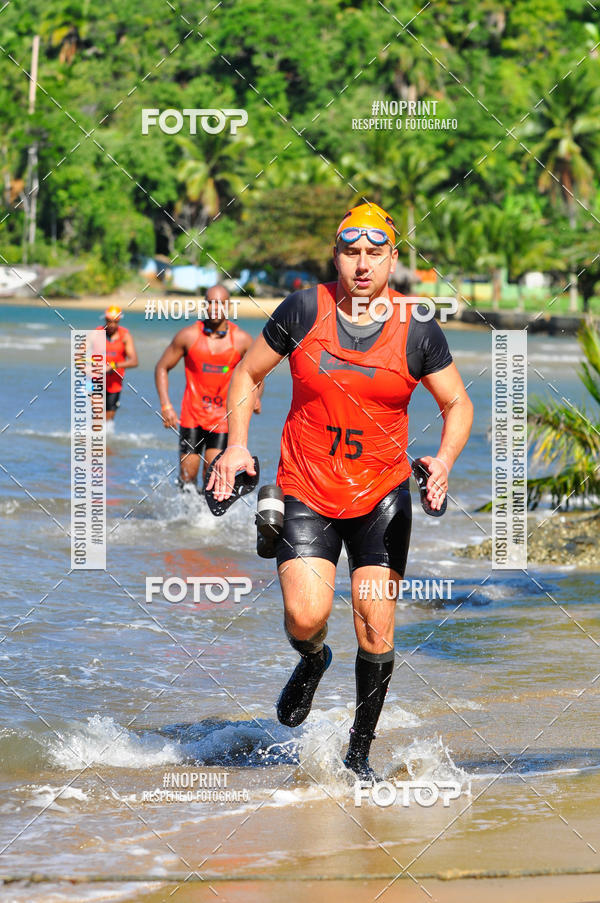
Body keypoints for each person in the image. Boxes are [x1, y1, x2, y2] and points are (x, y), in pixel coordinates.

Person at [207, 202, 474, 782]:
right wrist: (235, 445)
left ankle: (359, 752)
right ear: (336, 255)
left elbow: (456, 402)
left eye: (374, 253)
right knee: (306, 616)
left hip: (380, 498)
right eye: (350, 252)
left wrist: (445, 459)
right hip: (306, 488)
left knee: (376, 628)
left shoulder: (418, 328)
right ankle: (312, 658)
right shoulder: (304, 309)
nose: (361, 264)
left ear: (393, 260)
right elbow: (247, 374)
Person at [155, 284, 260, 488]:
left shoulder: (242, 340)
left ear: (228, 306)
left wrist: (256, 396)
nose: (214, 308)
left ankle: (208, 518)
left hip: (223, 417)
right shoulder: (188, 336)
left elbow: (257, 374)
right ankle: (184, 519)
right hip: (191, 415)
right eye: (210, 303)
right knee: (187, 475)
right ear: (204, 306)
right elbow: (162, 367)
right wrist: (166, 405)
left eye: (220, 303)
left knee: (212, 474)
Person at [96, 306, 138, 422]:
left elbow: (134, 361)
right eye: (109, 321)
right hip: (95, 381)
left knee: (108, 420)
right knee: (97, 417)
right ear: (105, 320)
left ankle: (107, 439)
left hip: (115, 384)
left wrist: (113, 366)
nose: (112, 325)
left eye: (116, 322)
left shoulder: (125, 336)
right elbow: (80, 357)